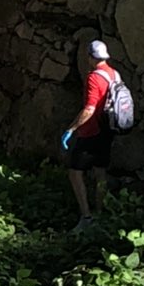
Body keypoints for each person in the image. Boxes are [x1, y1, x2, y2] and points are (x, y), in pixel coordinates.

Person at [61, 39, 117, 232]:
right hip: (107, 130)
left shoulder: (94, 78)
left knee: (75, 172)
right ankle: (100, 214)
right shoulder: (114, 74)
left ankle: (86, 216)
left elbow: (90, 108)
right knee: (100, 171)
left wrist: (71, 129)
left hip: (90, 132)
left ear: (91, 58)